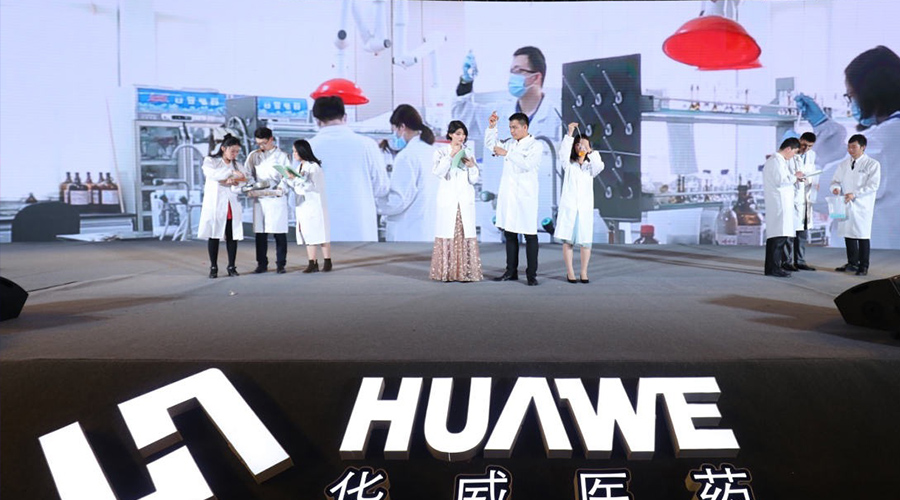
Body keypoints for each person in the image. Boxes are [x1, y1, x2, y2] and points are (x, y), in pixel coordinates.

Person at [795, 45, 900, 249]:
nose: (852, 104)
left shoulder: (884, 140)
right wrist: (823, 127)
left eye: (851, 96)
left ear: (870, 93)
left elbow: (822, 194)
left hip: (876, 258)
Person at [453, 47, 561, 242]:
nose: (513, 77)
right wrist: (465, 83)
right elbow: (462, 118)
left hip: (538, 220)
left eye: (519, 71)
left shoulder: (556, 118)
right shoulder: (498, 114)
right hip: (497, 220)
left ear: (536, 77)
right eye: (512, 71)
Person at [308, 96, 390, 242]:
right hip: (360, 232)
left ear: (317, 121)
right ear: (345, 117)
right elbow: (381, 188)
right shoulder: (367, 145)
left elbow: (297, 195)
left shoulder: (307, 148)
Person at [486, 111, 544, 286]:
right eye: (510, 127)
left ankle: (531, 274)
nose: (512, 131)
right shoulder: (510, 143)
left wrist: (507, 154)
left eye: (515, 127)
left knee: (530, 235)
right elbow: (492, 146)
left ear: (525, 127)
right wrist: (492, 127)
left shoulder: (536, 145)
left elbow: (527, 164)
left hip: (526, 196)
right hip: (509, 196)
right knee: (510, 233)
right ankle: (511, 271)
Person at [376, 104, 440, 241]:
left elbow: (397, 201)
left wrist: (374, 203)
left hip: (409, 233)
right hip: (428, 231)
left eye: (394, 130)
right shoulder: (432, 151)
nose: (394, 136)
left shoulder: (407, 156)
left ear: (402, 127)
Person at [430, 120, 483, 282]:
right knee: (448, 234)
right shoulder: (440, 152)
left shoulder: (468, 152)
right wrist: (450, 156)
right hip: (448, 200)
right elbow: (438, 172)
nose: (462, 137)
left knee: (464, 234)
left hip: (464, 200)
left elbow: (474, 179)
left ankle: (465, 272)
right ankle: (447, 272)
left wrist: (472, 166)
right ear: (450, 135)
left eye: (464, 134)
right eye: (458, 134)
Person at [557, 122, 605, 283]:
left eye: (584, 144)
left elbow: (600, 166)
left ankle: (584, 272)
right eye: (578, 144)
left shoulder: (590, 167)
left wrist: (590, 152)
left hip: (584, 209)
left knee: (585, 242)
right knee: (568, 241)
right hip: (570, 207)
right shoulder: (569, 165)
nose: (581, 147)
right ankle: (570, 272)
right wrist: (570, 132)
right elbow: (563, 153)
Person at [831, 134, 881, 276]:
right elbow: (835, 181)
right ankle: (852, 263)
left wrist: (855, 194)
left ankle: (863, 266)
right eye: (849, 147)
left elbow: (873, 185)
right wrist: (836, 188)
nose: (850, 150)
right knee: (848, 233)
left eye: (854, 147)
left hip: (862, 205)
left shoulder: (872, 164)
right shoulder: (843, 164)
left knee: (862, 235)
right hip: (846, 203)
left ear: (863, 147)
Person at [197, 134, 245, 279]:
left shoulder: (238, 165)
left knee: (232, 235)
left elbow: (243, 180)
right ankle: (213, 267)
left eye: (237, 152)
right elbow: (213, 175)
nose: (235, 154)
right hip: (216, 204)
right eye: (232, 151)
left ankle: (232, 266)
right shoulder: (211, 161)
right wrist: (231, 174)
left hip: (231, 204)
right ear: (223, 148)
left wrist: (234, 183)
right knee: (214, 234)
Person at [245, 127, 291, 274]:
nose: (261, 146)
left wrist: (280, 188)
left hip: (276, 197)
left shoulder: (282, 157)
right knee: (260, 233)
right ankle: (261, 263)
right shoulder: (254, 156)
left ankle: (281, 264)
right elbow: (248, 173)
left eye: (264, 143)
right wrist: (254, 186)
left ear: (271, 139)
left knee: (279, 232)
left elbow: (287, 176)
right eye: (258, 143)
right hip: (260, 197)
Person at [287, 139, 332, 273]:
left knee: (321, 233)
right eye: (293, 151)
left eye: (296, 151)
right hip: (303, 205)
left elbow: (313, 186)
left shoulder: (314, 167)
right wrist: (290, 179)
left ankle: (327, 261)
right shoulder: (299, 167)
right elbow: (296, 185)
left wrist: (297, 179)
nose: (294, 154)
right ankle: (312, 262)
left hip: (315, 205)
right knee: (307, 233)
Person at [763, 138, 804, 278]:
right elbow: (781, 181)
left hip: (782, 203)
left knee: (778, 237)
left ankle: (773, 267)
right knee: (778, 238)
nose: (793, 156)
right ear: (788, 149)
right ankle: (774, 268)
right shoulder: (776, 161)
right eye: (794, 152)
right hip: (779, 204)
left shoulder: (779, 161)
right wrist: (795, 177)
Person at [783, 132, 818, 271]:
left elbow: (811, 171)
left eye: (809, 146)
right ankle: (786, 261)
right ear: (799, 140)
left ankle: (800, 261)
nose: (806, 149)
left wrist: (812, 181)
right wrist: (795, 178)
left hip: (805, 197)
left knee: (802, 232)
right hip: (792, 196)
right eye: (804, 145)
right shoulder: (789, 154)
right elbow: (784, 175)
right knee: (789, 233)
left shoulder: (812, 155)